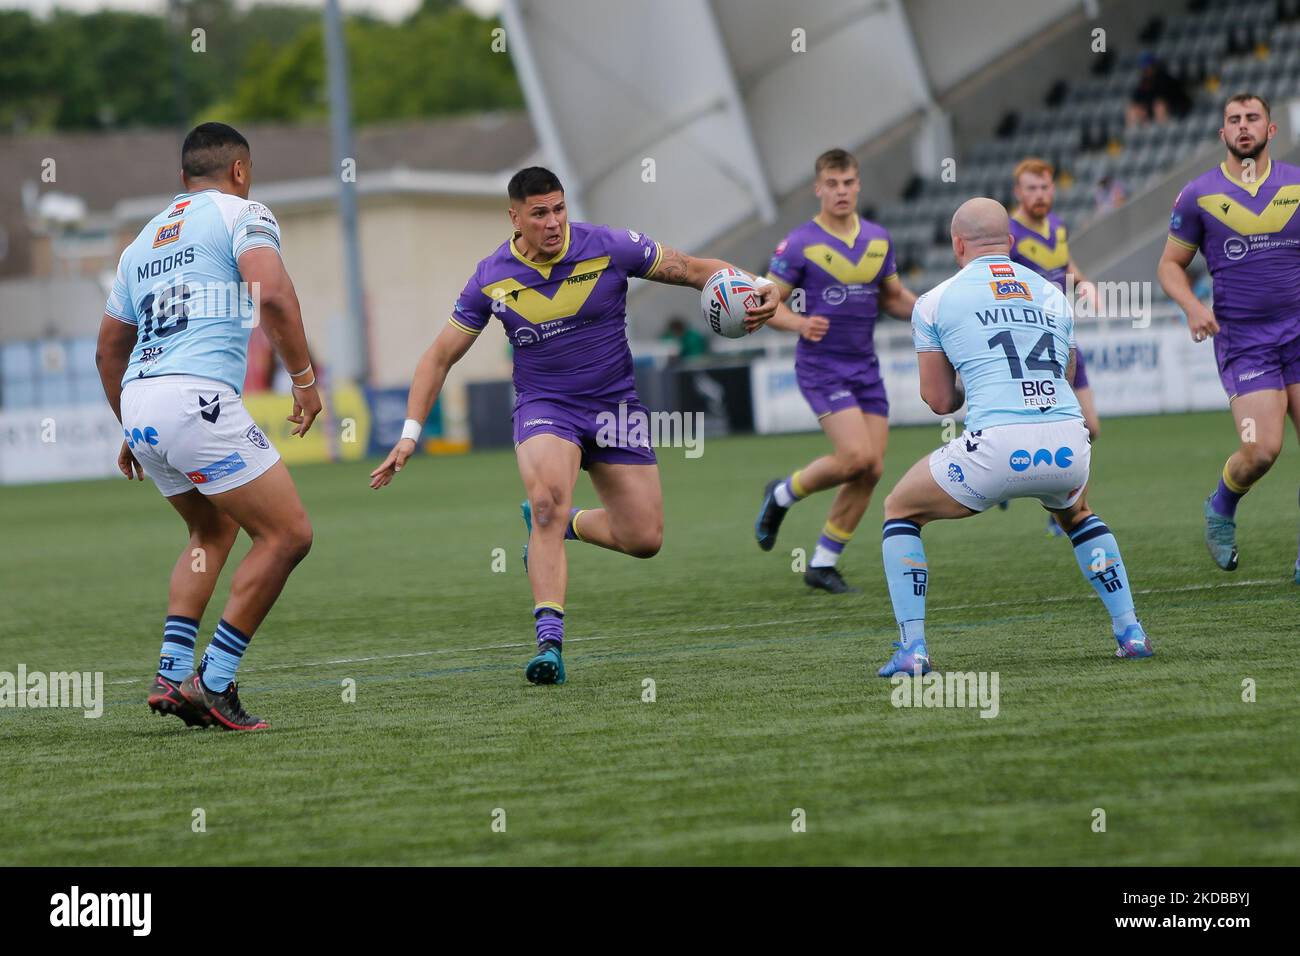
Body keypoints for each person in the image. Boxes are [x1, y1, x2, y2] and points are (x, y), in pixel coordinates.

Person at [370, 166, 778, 685]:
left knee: (644, 538)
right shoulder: (490, 276)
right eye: (539, 213)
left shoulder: (607, 245)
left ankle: (566, 525)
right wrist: (409, 435)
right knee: (546, 500)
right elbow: (438, 358)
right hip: (547, 407)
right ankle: (550, 645)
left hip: (615, 408)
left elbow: (695, 269)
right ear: (514, 217)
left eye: (559, 208)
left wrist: (760, 286)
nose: (554, 222)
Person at [95, 122, 320, 730]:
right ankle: (212, 682)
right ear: (240, 171)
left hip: (142, 400)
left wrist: (131, 423)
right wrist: (303, 378)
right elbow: (270, 293)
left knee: (211, 530)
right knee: (287, 536)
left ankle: (170, 673)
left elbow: (108, 351)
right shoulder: (241, 212)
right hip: (196, 397)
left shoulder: (140, 242)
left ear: (182, 180)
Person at [874, 197, 1152, 677]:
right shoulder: (1051, 294)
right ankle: (1132, 633)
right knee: (1077, 514)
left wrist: (973, 376)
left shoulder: (934, 301)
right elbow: (1066, 369)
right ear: (1011, 242)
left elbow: (940, 401)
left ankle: (913, 650)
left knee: (899, 509)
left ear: (957, 244)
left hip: (996, 447)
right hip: (1069, 438)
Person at [753, 148, 917, 593]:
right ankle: (782, 494)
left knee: (871, 469)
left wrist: (931, 314)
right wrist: (800, 323)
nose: (841, 191)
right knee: (855, 457)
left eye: (848, 182)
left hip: (865, 368)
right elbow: (769, 304)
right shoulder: (800, 243)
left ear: (858, 184)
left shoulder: (879, 238)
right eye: (832, 183)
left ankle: (823, 563)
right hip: (822, 368)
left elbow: (893, 297)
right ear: (818, 187)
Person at [1158, 92, 1300, 582]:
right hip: (1246, 343)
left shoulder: (1297, 186)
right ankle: (1221, 504)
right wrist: (1194, 305)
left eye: (1252, 118)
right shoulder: (1198, 194)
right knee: (1260, 450)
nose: (1243, 127)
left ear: (1271, 129)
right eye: (1234, 120)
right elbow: (1170, 266)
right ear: (1222, 133)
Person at [1007, 157, 1102, 535]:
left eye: (1045, 187)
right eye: (1031, 188)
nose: (1040, 194)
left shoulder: (1058, 228)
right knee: (1050, 426)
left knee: (1089, 427)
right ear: (1018, 192)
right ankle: (1071, 513)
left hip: (1064, 341)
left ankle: (1054, 504)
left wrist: (1083, 283)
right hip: (1027, 350)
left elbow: (1064, 264)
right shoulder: (1008, 234)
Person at [1126, 52, 1191, 128]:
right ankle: (1135, 134)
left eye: (1147, 67)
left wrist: (1148, 106)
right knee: (1132, 109)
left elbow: (1166, 96)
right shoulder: (1144, 81)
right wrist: (1142, 107)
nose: (1145, 70)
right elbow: (1137, 98)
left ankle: (1163, 130)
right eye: (1144, 68)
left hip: (1175, 107)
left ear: (1153, 66)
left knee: (1159, 105)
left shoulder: (1163, 77)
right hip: (1152, 109)